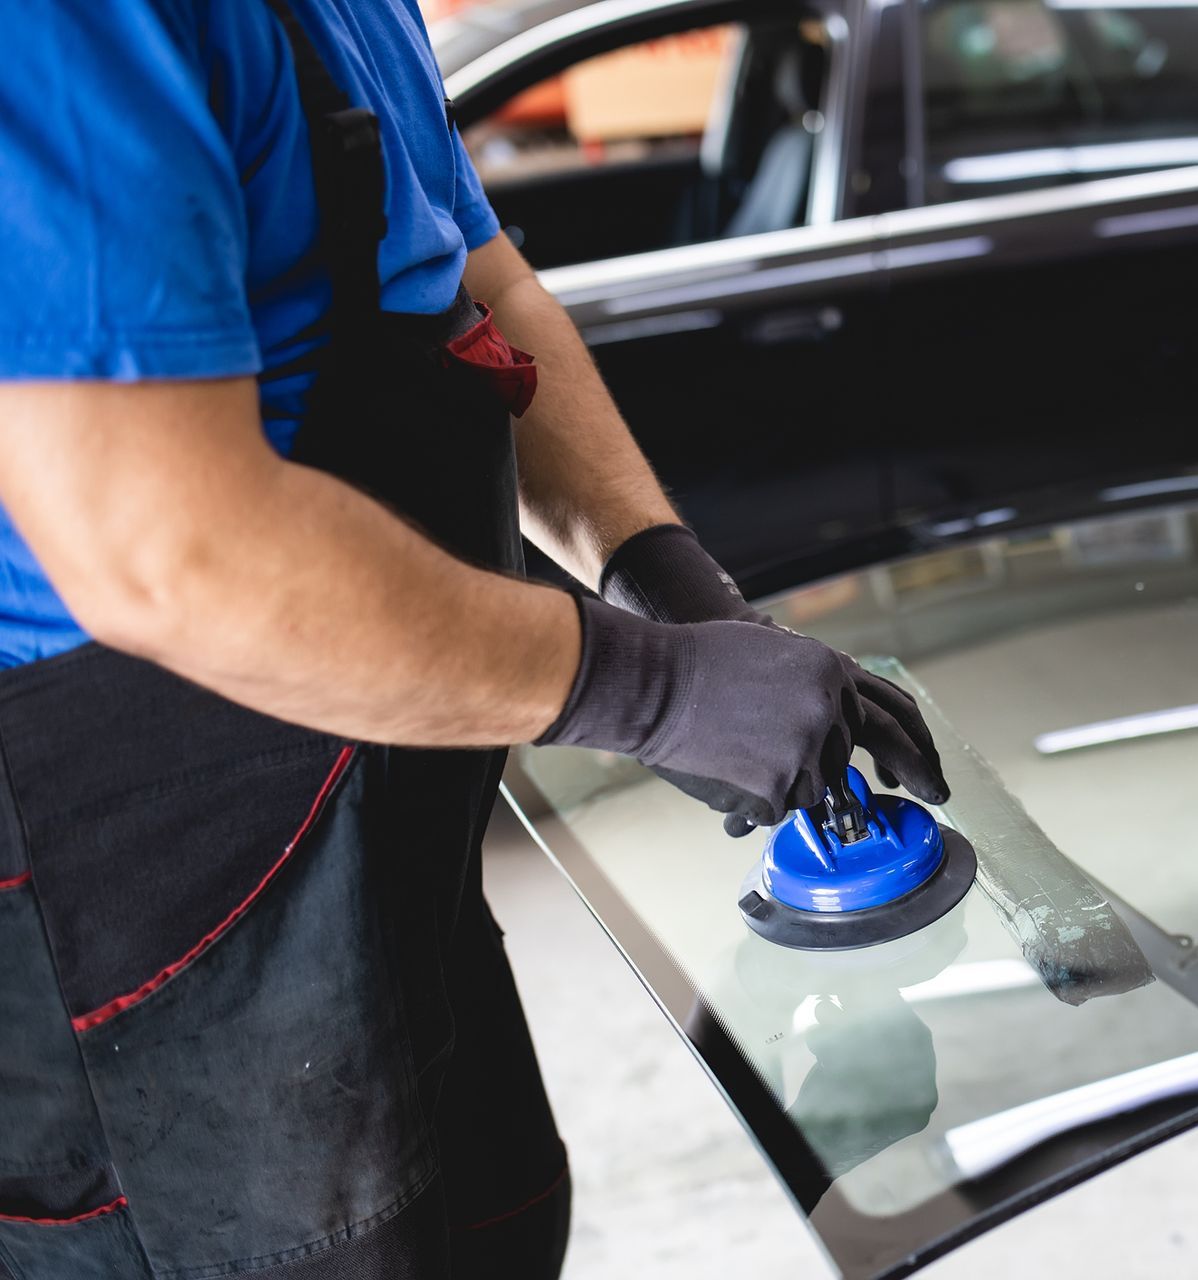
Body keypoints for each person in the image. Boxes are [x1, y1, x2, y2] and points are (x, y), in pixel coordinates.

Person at [0, 3, 947, 1277]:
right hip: (151, 901)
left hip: (386, 803)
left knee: (491, 1222)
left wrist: (672, 589)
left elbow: (474, 287)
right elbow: (168, 552)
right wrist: (646, 687)